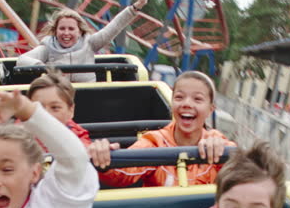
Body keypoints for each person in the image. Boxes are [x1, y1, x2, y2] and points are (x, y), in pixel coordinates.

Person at [88, 71, 235, 187]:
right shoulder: (155, 141)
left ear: (210, 109)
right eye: (179, 97)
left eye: (197, 99)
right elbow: (124, 173)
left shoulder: (216, 141)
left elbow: (243, 171)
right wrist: (105, 159)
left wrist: (223, 154)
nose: (187, 104)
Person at [15, 0, 154, 82]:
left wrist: (137, 6)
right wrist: (46, 68)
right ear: (56, 31)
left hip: (88, 96)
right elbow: (22, 60)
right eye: (62, 29)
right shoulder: (48, 47)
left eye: (71, 29)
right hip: (59, 97)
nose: (66, 33)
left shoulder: (90, 43)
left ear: (79, 31)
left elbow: (114, 27)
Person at [26, 71, 91, 147]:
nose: (46, 114)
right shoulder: (18, 135)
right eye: (39, 107)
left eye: (55, 107)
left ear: (71, 110)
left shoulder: (78, 137)